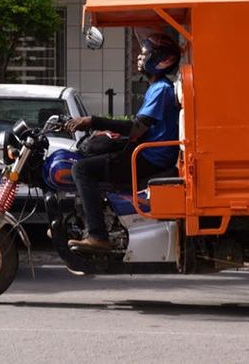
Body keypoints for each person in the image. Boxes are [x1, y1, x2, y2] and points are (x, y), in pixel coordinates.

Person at [65, 33, 181, 251]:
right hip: (146, 152)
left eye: (145, 53)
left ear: (161, 60)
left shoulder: (161, 89)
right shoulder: (157, 88)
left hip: (150, 158)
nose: (139, 56)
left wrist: (92, 121)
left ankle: (98, 235)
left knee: (81, 170)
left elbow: (137, 127)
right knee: (88, 155)